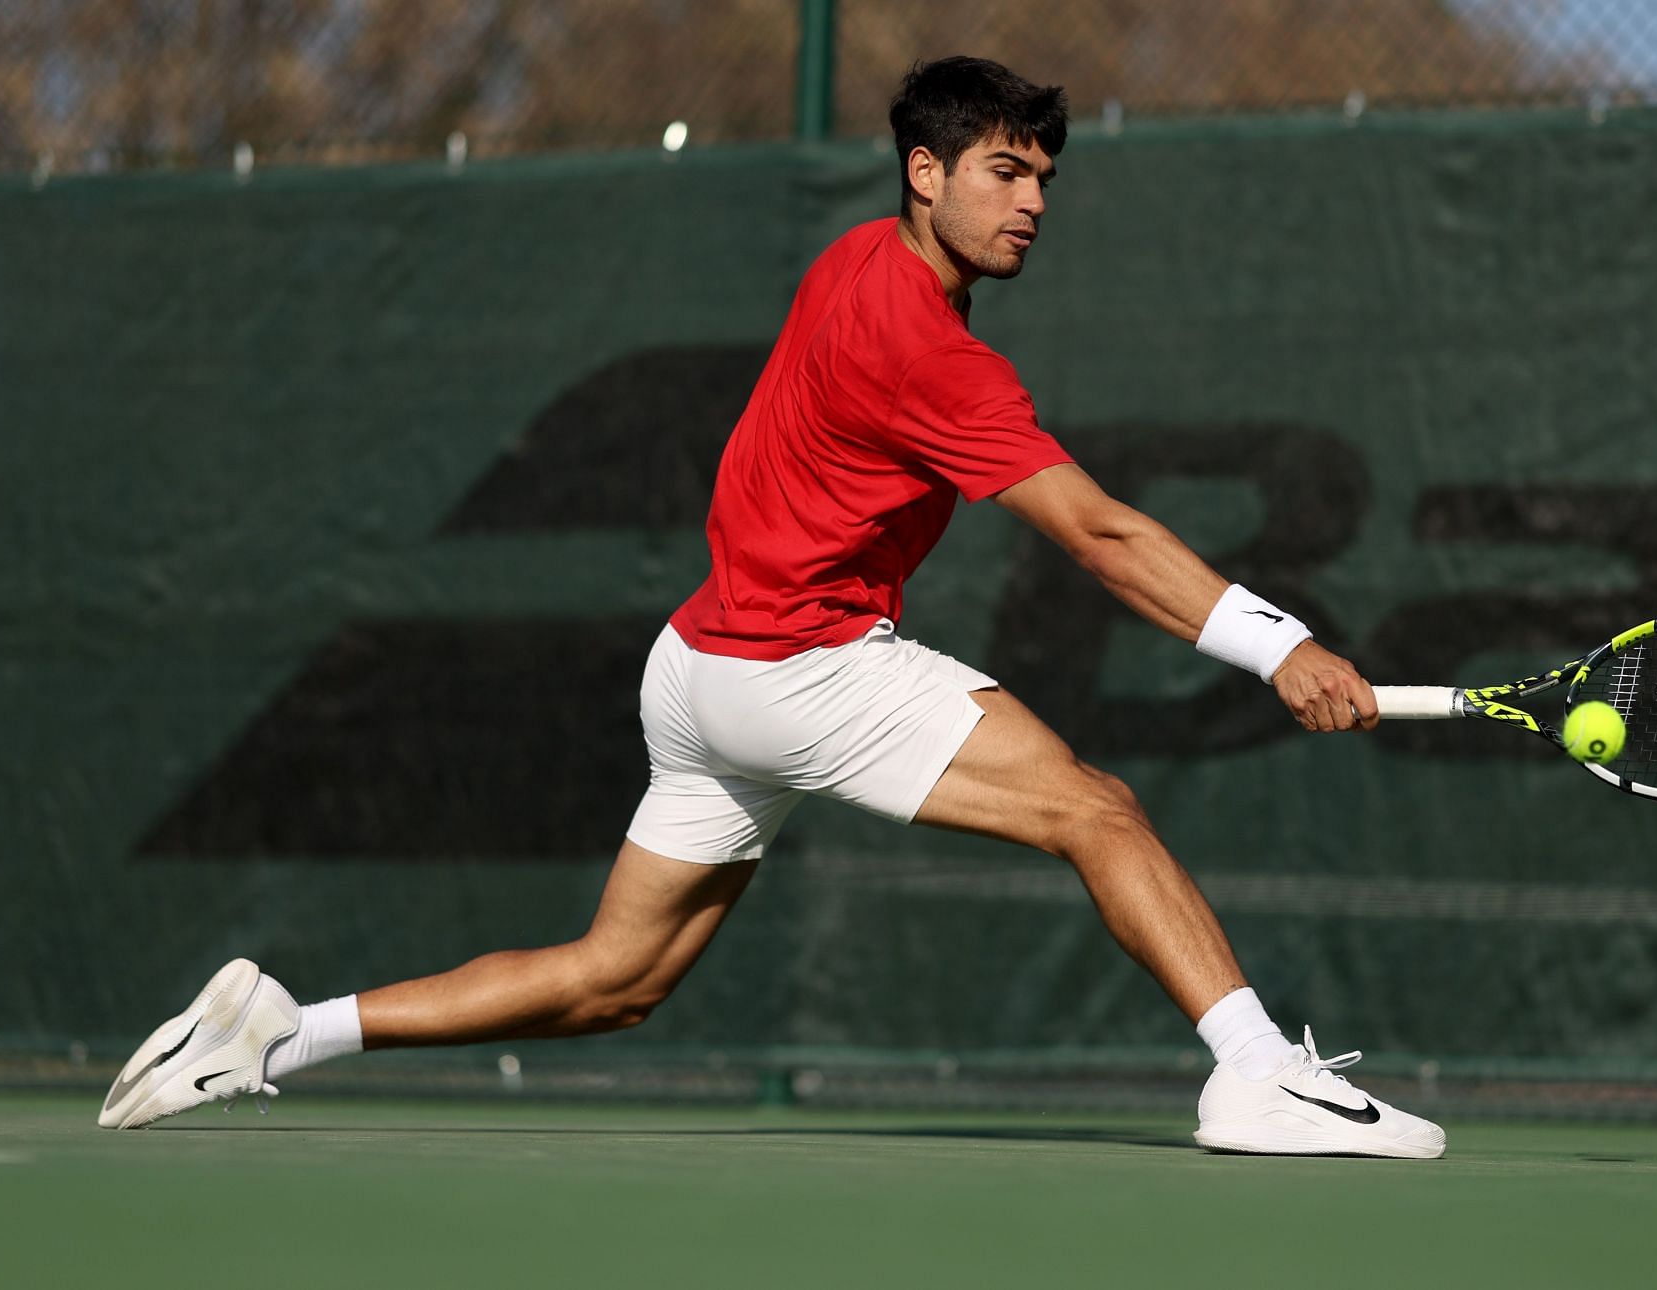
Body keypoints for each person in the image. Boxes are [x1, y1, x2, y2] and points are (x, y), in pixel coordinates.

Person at [99, 56, 1444, 1159]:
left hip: (698, 672)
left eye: (1043, 176)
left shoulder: (857, 258)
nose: (1032, 201)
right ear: (926, 173)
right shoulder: (928, 347)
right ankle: (1256, 1072)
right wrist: (1278, 646)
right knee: (1096, 808)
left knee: (613, 980)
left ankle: (275, 1031)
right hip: (802, 668)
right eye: (1003, 171)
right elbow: (1098, 529)